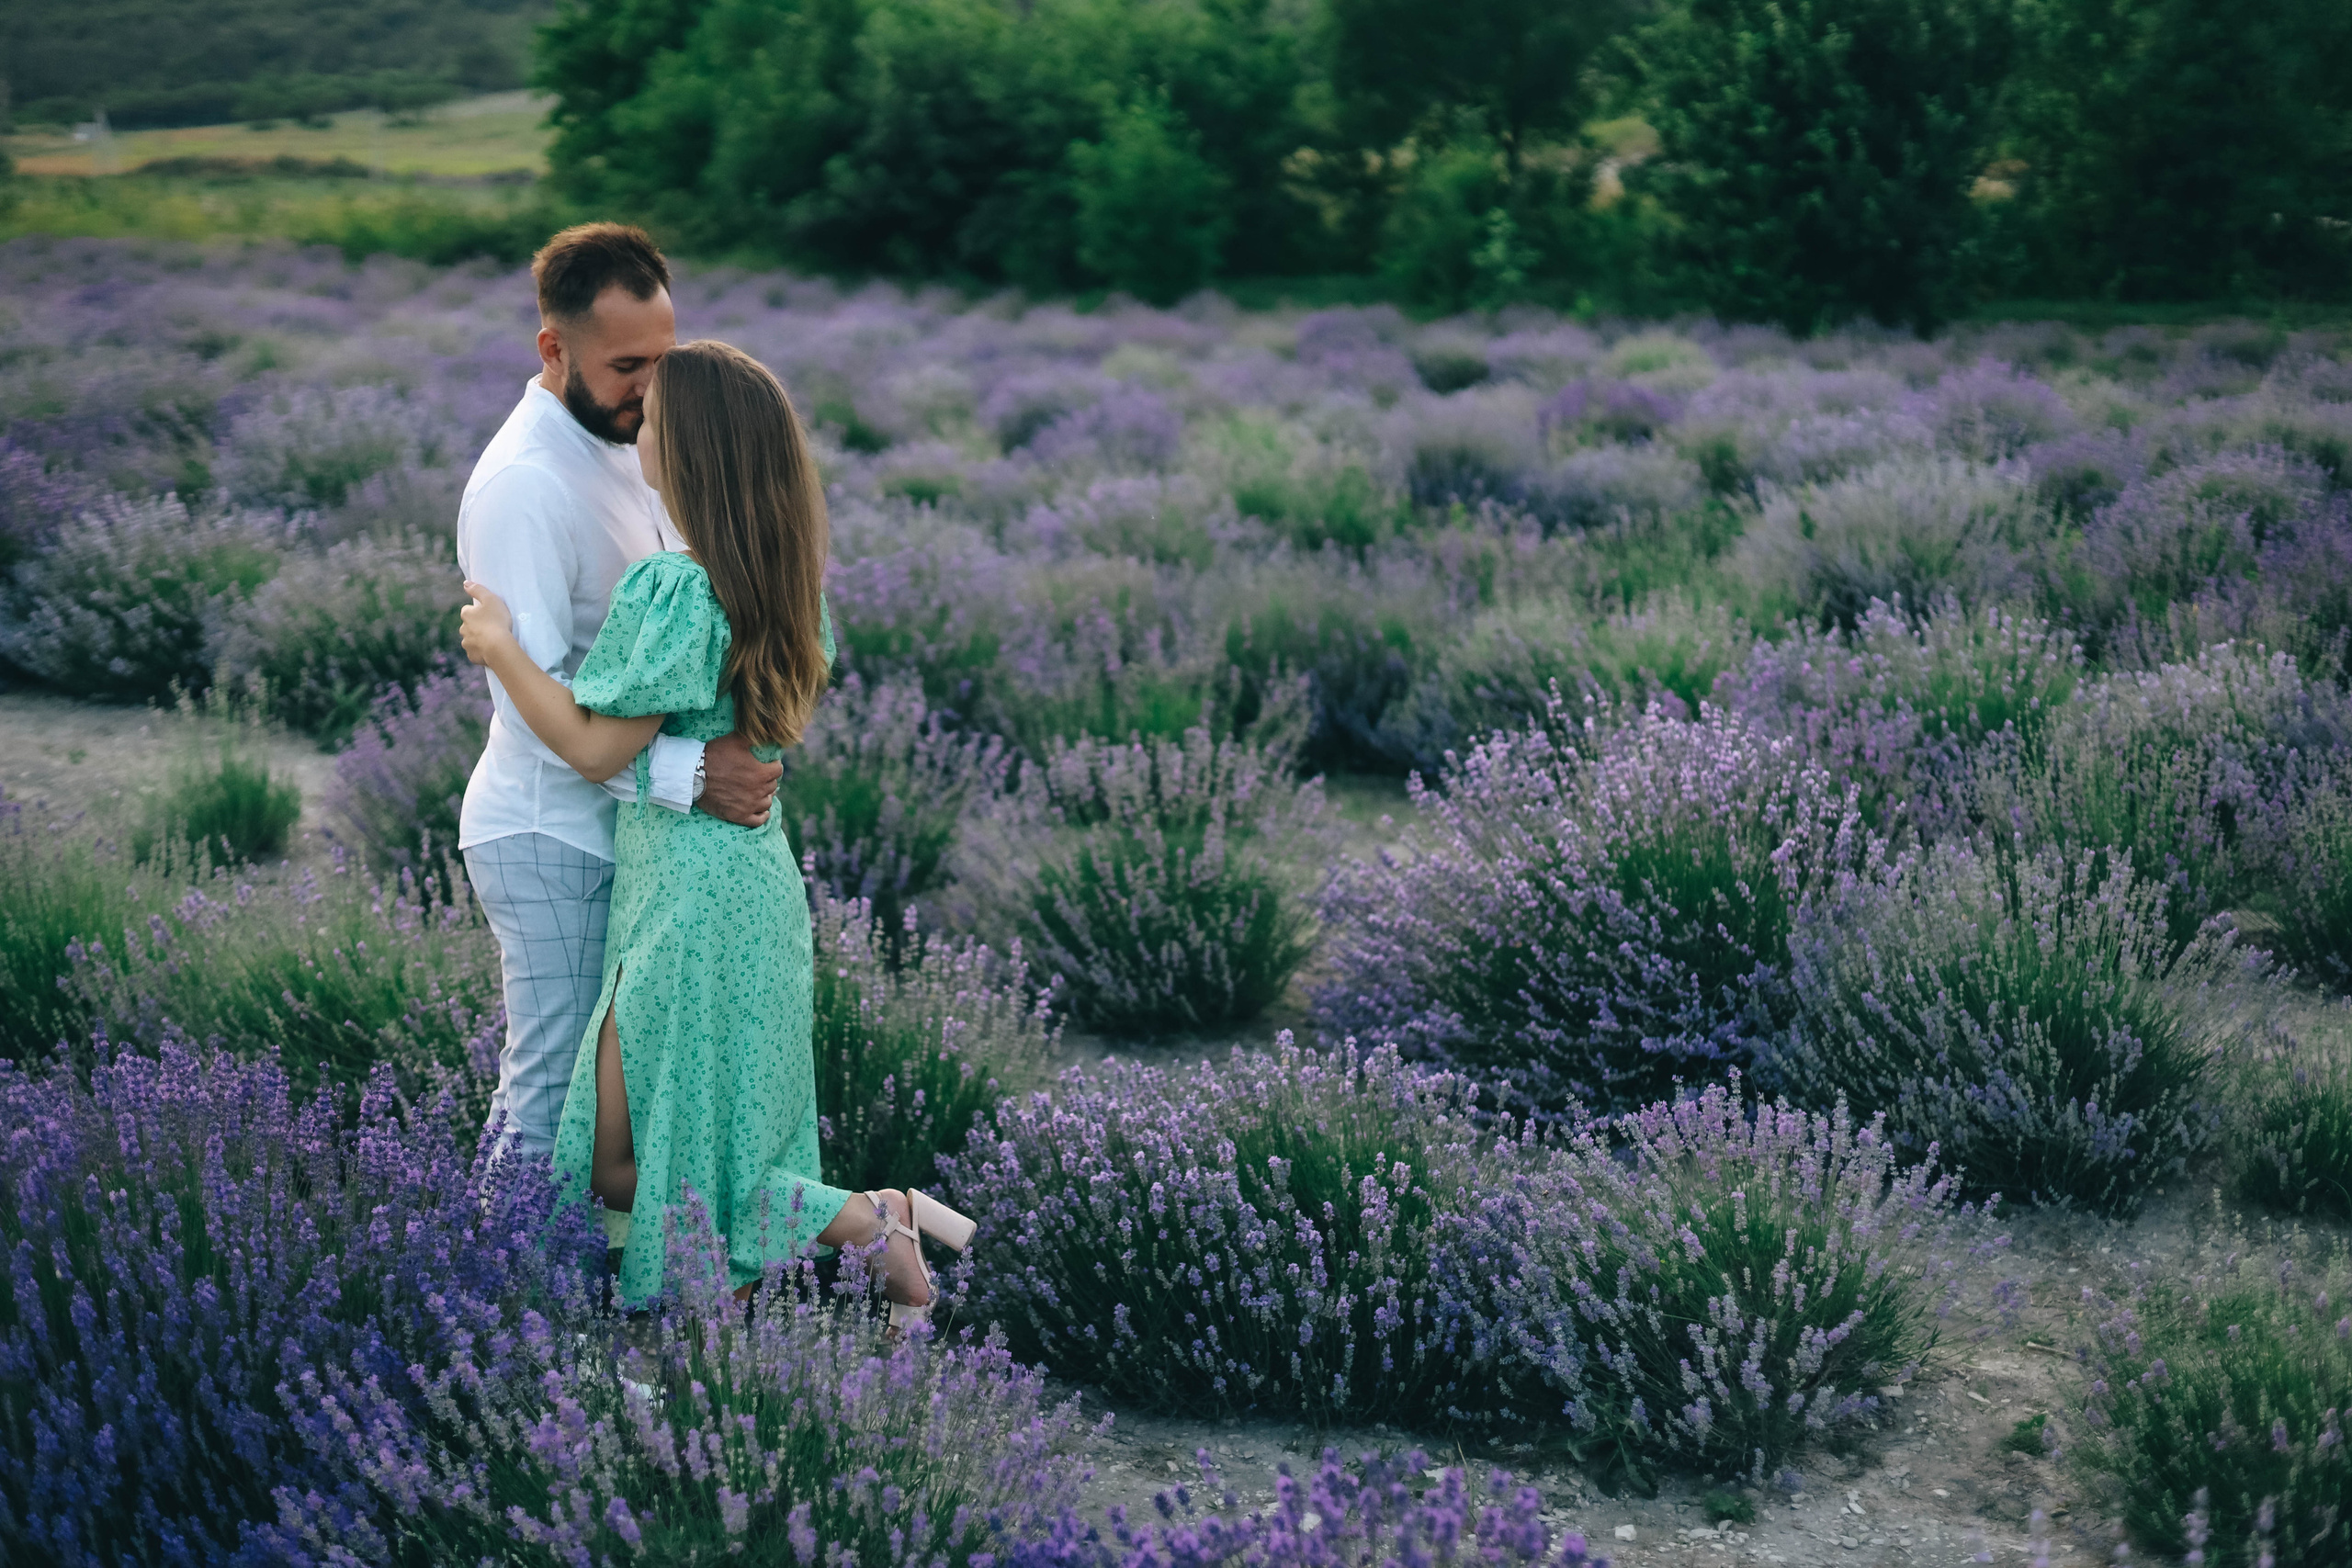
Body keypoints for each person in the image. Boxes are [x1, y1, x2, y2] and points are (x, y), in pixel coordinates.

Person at [458, 338, 974, 1320]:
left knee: (627, 1158)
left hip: (688, 897)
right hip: (747, 880)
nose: (637, 434)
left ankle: (873, 1227)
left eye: (650, 422)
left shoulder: (678, 588)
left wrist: (502, 648)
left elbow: (595, 750)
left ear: (687, 453)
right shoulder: (783, 582)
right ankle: (885, 1221)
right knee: (693, 1145)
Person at [457, 222, 785, 1166]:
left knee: (624, 1106)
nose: (652, 389)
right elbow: (536, 698)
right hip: (550, 832)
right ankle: (487, 1292)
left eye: (664, 360)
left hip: (630, 832)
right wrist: (692, 775)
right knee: (551, 1086)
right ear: (554, 350)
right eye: (626, 365)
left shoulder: (634, 440)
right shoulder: (525, 484)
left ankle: (571, 1287)